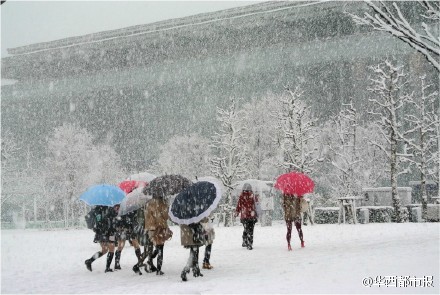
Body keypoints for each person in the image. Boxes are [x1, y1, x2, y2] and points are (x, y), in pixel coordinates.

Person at [143, 193, 172, 275]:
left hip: (150, 229)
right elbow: (166, 217)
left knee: (157, 247)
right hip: (159, 228)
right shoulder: (162, 203)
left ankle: (150, 259)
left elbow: (146, 216)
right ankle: (158, 269)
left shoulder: (148, 203)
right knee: (160, 249)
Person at [84, 204, 118, 273]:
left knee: (104, 250)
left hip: (100, 232)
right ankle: (107, 268)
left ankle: (89, 261)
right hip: (109, 232)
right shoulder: (109, 208)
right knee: (111, 249)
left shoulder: (96, 209)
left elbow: (92, 220)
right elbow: (113, 219)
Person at [235, 183, 259, 250]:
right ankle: (249, 244)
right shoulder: (253, 196)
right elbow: (257, 205)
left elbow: (239, 205)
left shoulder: (242, 196)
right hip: (252, 215)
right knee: (251, 230)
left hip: (244, 216)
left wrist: (237, 212)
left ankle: (244, 241)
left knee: (246, 229)